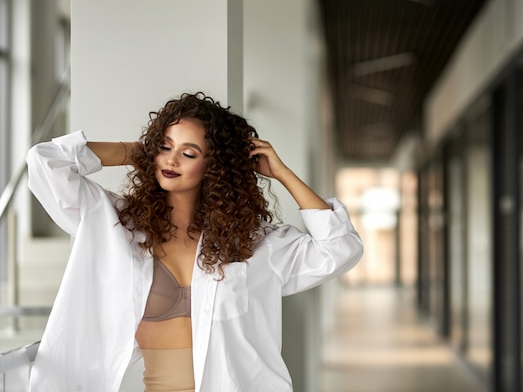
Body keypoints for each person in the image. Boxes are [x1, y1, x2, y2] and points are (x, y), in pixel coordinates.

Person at [25, 92, 363, 392]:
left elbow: (339, 248)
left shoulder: (254, 245)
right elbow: (44, 163)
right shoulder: (119, 227)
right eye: (165, 146)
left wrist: (283, 174)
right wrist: (138, 152)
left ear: (214, 166)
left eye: (189, 153)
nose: (171, 161)